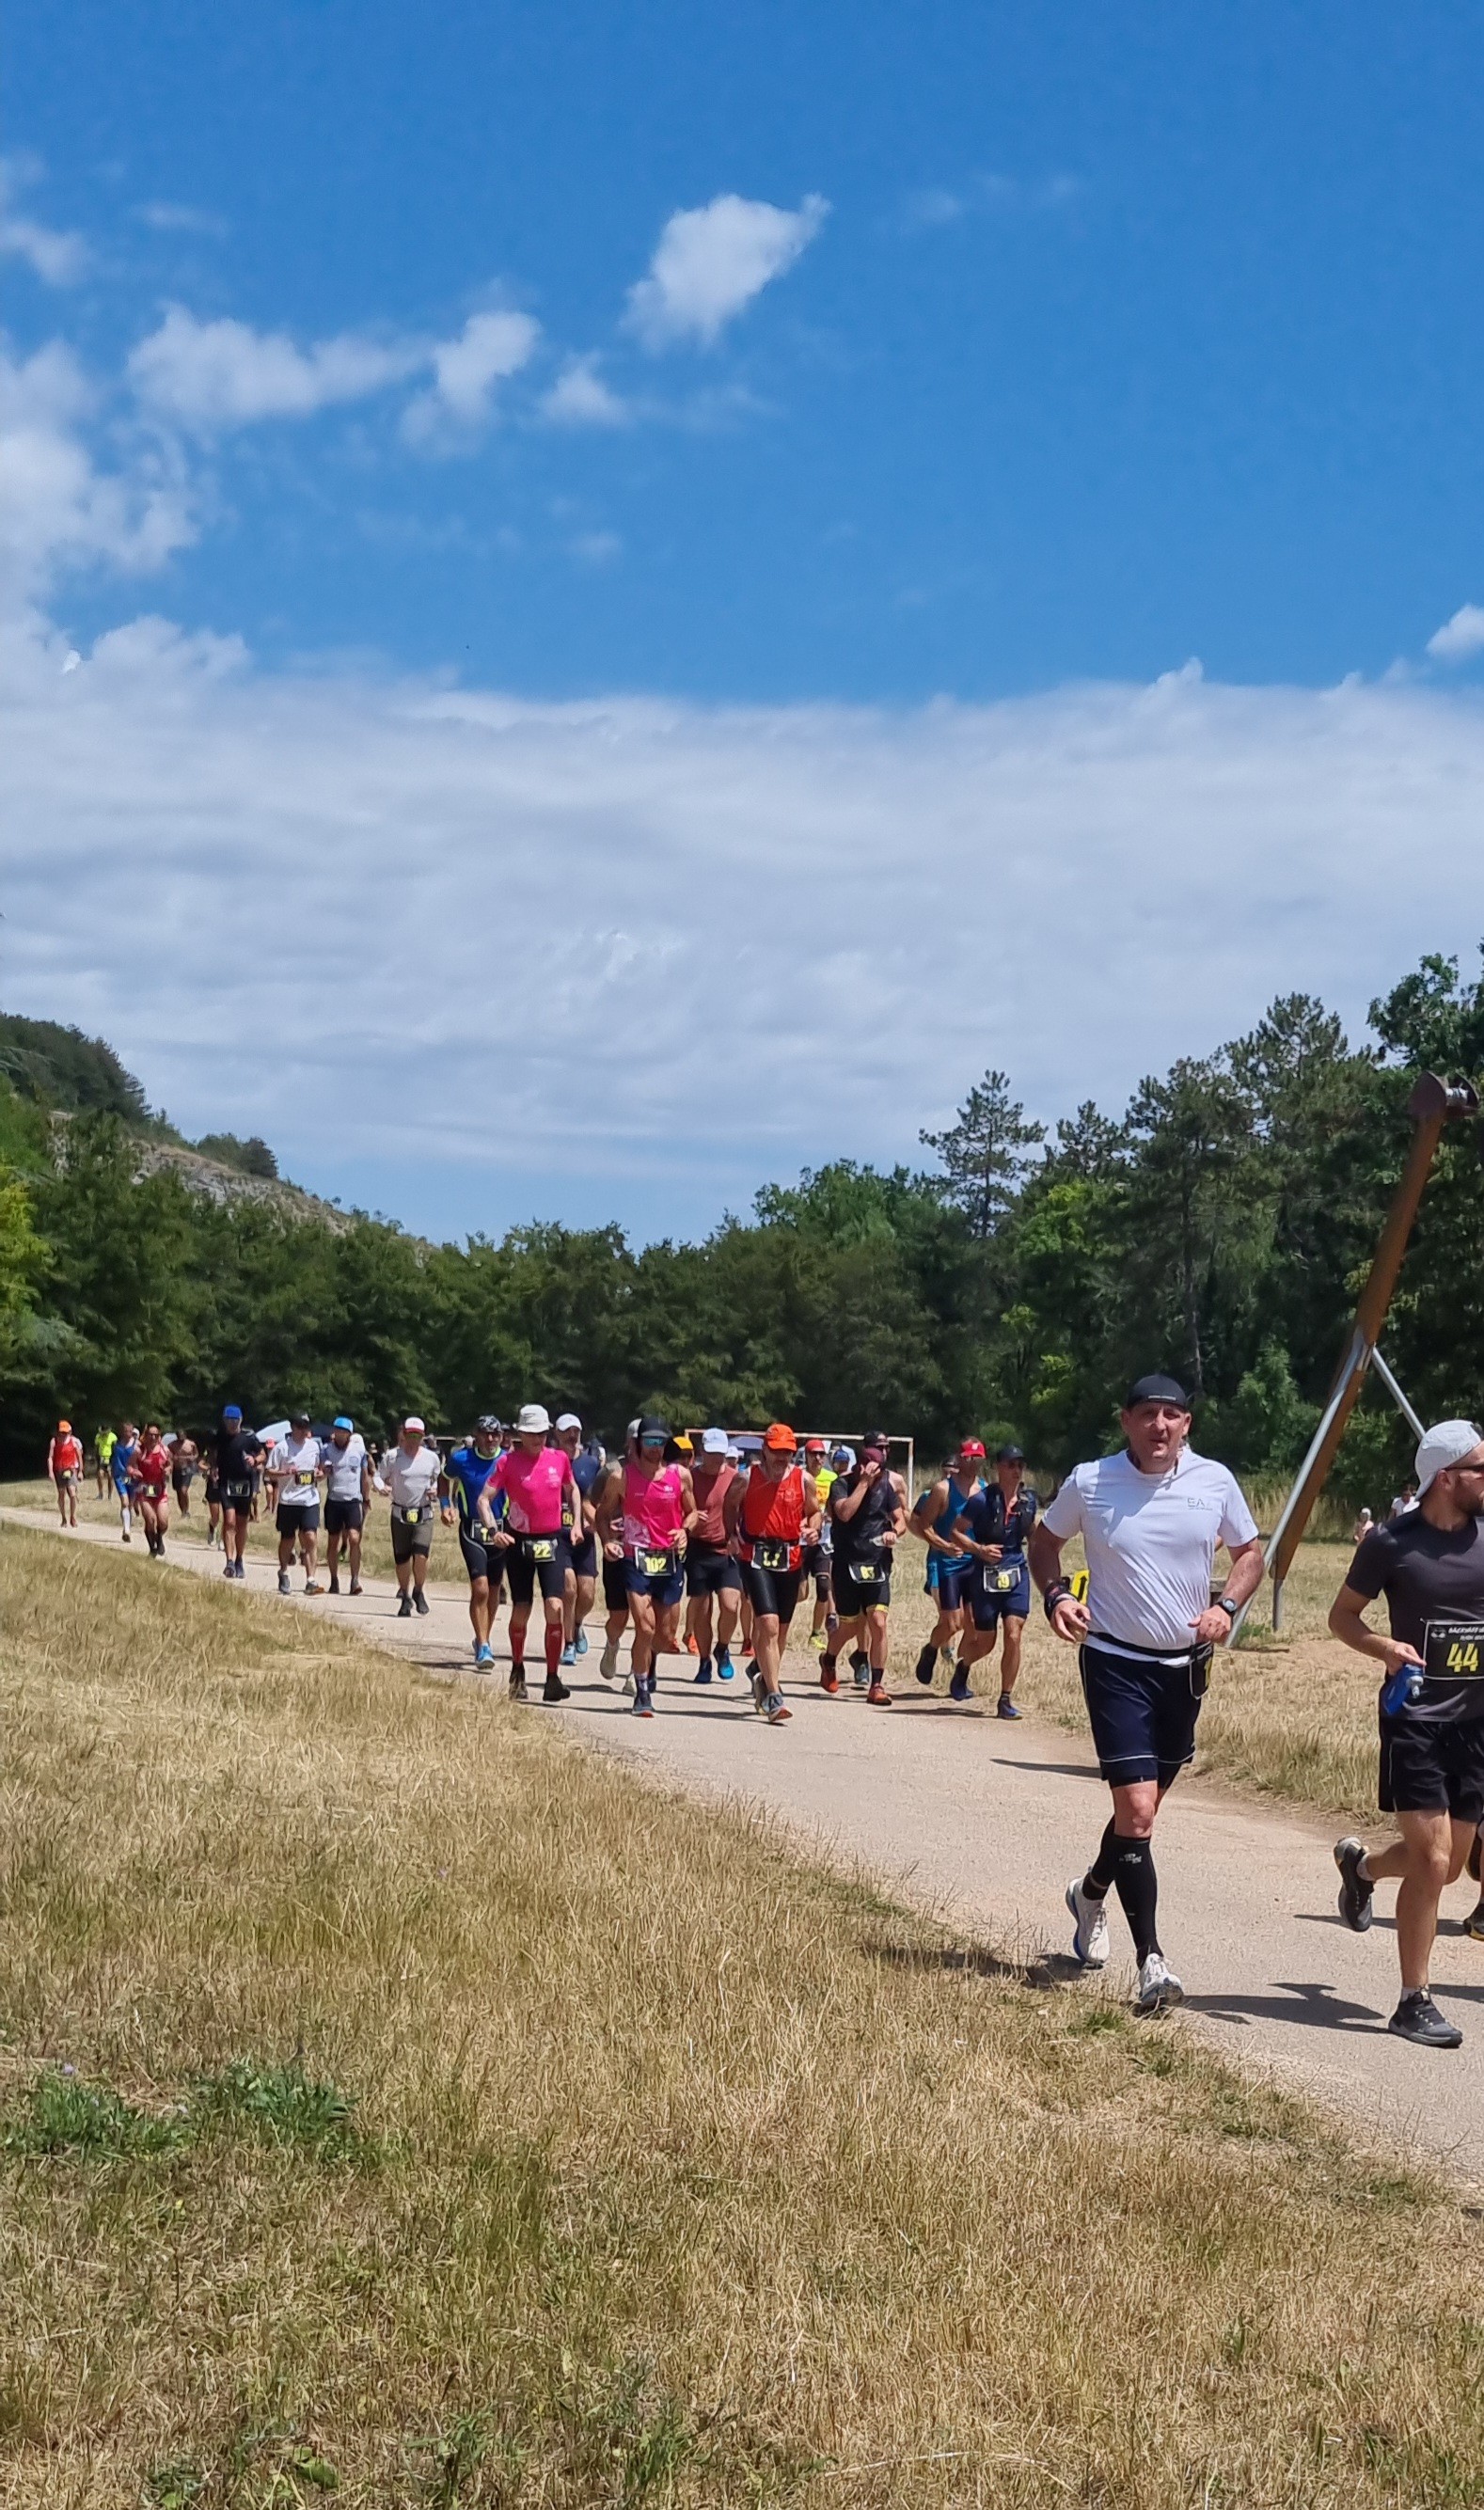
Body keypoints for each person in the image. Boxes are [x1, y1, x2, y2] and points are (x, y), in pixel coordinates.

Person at [1030, 1373, 1263, 2014]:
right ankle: (1151, 1961)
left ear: (1187, 1423)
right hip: (1113, 1660)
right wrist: (1055, 1596)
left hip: (1185, 1667)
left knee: (1143, 1811)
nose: (1160, 1425)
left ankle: (1090, 1890)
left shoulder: (1214, 1481)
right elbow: (1045, 1542)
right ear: (1125, 1419)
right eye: (1148, 1414)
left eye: (1173, 1414)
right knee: (1136, 1813)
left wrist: (1227, 1605)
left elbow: (1250, 1553)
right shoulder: (1091, 1479)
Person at [1330, 1419, 1484, 2049]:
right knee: (1434, 1858)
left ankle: (1361, 1868)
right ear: (1447, 1477)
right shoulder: (1391, 1542)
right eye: (1481, 1469)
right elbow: (1342, 1616)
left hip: (1473, 1723)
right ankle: (1413, 1999)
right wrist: (1385, 1646)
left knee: (1448, 1871)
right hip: (1415, 1717)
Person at [594, 1415, 696, 1718]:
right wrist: (608, 1540)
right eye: (649, 1442)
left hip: (669, 1559)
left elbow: (693, 1513)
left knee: (664, 1637)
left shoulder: (681, 1476)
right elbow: (602, 1515)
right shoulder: (621, 1477)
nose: (655, 1448)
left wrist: (684, 1531)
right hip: (635, 1557)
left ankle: (645, 1669)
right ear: (638, 1443)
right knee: (644, 1626)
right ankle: (641, 1692)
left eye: (660, 1442)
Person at [724, 1421, 821, 1726]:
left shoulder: (803, 1479)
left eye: (788, 1453)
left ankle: (762, 1675)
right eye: (777, 1452)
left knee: (780, 1631)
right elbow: (729, 1505)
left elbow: (815, 1511)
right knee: (766, 1624)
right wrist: (731, 1535)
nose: (782, 1458)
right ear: (764, 1451)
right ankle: (775, 1695)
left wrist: (813, 1528)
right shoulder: (745, 1478)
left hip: (790, 1557)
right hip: (755, 1554)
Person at [478, 1403, 576, 1703]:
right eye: (532, 1433)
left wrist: (577, 1524)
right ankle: (518, 1671)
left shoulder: (559, 1459)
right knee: (522, 1609)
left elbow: (571, 1488)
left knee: (555, 1607)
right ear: (520, 1433)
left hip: (552, 1540)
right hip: (518, 1541)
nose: (538, 1439)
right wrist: (495, 1532)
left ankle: (552, 1677)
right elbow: (484, 1499)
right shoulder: (508, 1463)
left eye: (543, 1433)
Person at [951, 1443, 1038, 1715]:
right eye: (1011, 1465)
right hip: (986, 1573)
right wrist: (979, 1549)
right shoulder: (981, 1501)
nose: (1016, 1470)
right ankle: (964, 1666)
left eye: (1020, 1465)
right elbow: (956, 1532)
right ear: (998, 1468)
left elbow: (1033, 1534)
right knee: (986, 1641)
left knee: (1014, 1633)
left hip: (1016, 1570)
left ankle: (1005, 1698)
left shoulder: (1028, 1501)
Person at [908, 1441, 987, 1686]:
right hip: (947, 1564)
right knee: (952, 1623)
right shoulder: (942, 1490)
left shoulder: (985, 1490)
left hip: (975, 1564)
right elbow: (923, 1525)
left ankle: (961, 1675)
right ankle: (931, 1649)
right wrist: (944, 1546)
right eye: (969, 1457)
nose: (973, 1462)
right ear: (960, 1459)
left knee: (973, 1625)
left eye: (978, 1458)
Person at [440, 1415, 505, 1665]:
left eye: (495, 1434)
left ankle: (483, 1636)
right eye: (485, 1434)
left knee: (494, 1591)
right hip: (472, 1529)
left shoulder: (506, 1460)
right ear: (476, 1435)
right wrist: (446, 1506)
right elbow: (444, 1479)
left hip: (500, 1531)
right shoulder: (461, 1459)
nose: (490, 1439)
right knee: (480, 1588)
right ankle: (484, 1645)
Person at [685, 1427, 743, 1683]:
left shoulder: (735, 1478)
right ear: (701, 1453)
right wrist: (691, 1518)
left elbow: (744, 1511)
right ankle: (705, 1661)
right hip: (699, 1548)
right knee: (702, 1609)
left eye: (721, 1454)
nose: (717, 1459)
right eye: (712, 1454)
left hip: (726, 1550)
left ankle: (723, 1646)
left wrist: (737, 1536)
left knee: (731, 1606)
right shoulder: (690, 1477)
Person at [373, 1416, 442, 1616]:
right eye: (409, 1434)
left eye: (417, 1436)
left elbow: (438, 1480)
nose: (413, 1439)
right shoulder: (393, 1457)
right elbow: (378, 1475)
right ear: (404, 1434)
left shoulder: (431, 1458)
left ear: (422, 1437)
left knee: (420, 1555)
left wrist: (435, 1490)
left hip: (424, 1513)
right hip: (400, 1512)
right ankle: (404, 1596)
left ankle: (418, 1590)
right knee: (402, 1559)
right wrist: (381, 1487)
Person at [592, 1423, 639, 1683]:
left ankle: (638, 1674)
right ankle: (612, 1644)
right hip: (618, 1549)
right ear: (628, 1443)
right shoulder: (613, 1471)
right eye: (636, 1441)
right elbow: (592, 1505)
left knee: (647, 1618)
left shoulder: (664, 1473)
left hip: (648, 1551)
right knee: (620, 1616)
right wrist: (606, 1538)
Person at [555, 1413, 603, 1668]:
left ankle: (577, 1623)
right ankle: (569, 1644)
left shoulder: (591, 1464)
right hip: (557, 1535)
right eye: (566, 1432)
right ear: (557, 1435)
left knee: (587, 1594)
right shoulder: (549, 1461)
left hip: (584, 1536)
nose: (572, 1436)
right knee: (569, 1589)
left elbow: (598, 1500)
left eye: (576, 1431)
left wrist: (594, 1521)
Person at [267, 1412, 325, 1595]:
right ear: (292, 1427)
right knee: (288, 1539)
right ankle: (284, 1571)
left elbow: (321, 1470)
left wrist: (320, 1475)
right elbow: (268, 1472)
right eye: (299, 1426)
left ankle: (311, 1579)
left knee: (310, 1537)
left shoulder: (314, 1447)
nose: (302, 1431)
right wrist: (284, 1472)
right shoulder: (282, 1448)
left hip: (309, 1499)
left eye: (305, 1427)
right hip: (288, 1500)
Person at [324, 1416, 373, 1595]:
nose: (340, 1435)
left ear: (349, 1434)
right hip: (334, 1500)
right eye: (337, 1431)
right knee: (333, 1541)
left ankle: (354, 1579)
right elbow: (321, 1470)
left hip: (353, 1500)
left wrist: (366, 1498)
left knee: (354, 1538)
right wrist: (324, 1470)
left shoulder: (359, 1451)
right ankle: (334, 1579)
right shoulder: (327, 1450)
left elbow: (364, 1475)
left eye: (343, 1432)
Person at [213, 1406, 260, 1580]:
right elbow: (213, 1455)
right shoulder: (220, 1437)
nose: (231, 1425)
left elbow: (262, 1454)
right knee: (229, 1521)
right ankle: (229, 1561)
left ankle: (239, 1558)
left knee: (241, 1524)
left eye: (234, 1421)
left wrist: (254, 1459)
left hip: (245, 1484)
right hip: (227, 1483)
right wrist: (212, 1468)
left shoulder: (249, 1438)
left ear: (240, 1421)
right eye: (228, 1421)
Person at [801, 1437, 838, 1652]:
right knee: (800, 1593)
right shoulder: (798, 1476)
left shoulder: (832, 1479)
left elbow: (837, 1504)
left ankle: (816, 1633)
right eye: (813, 1454)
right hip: (800, 1541)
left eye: (821, 1454)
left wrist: (832, 1516)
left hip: (824, 1541)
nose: (817, 1458)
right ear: (805, 1456)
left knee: (824, 1587)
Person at [131, 1424, 172, 1557]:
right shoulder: (139, 1451)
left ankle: (159, 1538)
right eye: (150, 1434)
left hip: (160, 1490)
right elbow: (130, 1467)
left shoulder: (164, 1450)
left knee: (163, 1522)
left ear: (159, 1436)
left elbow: (170, 1465)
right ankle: (152, 1548)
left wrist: (168, 1470)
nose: (153, 1437)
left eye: (156, 1435)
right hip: (144, 1489)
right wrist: (134, 1471)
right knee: (151, 1519)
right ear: (146, 1435)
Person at [46, 1419, 83, 1526]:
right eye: (61, 1432)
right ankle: (63, 1518)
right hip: (59, 1470)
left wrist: (80, 1471)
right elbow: (50, 1457)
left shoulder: (73, 1441)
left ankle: (73, 1517)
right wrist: (50, 1472)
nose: (63, 1435)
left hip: (70, 1470)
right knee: (61, 1494)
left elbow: (79, 1456)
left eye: (65, 1432)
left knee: (72, 1493)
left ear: (69, 1432)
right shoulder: (54, 1441)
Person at [111, 1421, 138, 1544]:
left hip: (133, 1478)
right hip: (120, 1477)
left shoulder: (137, 1445)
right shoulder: (116, 1444)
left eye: (129, 1431)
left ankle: (128, 1526)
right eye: (125, 1431)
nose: (127, 1434)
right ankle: (126, 1530)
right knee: (125, 1502)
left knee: (130, 1504)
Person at [170, 1431, 199, 1518]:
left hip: (187, 1469)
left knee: (183, 1490)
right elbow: (169, 1455)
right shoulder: (172, 1445)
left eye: (182, 1436)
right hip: (177, 1470)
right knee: (179, 1492)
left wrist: (192, 1458)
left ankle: (186, 1509)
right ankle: (183, 1511)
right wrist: (173, 1458)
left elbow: (196, 1454)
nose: (180, 1438)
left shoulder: (191, 1444)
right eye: (179, 1436)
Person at [94, 1424, 116, 1501]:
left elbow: (115, 1448)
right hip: (101, 1458)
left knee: (110, 1476)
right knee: (100, 1475)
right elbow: (96, 1447)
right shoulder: (98, 1436)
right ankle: (100, 1494)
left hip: (110, 1458)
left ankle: (110, 1495)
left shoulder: (113, 1437)